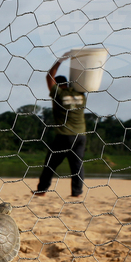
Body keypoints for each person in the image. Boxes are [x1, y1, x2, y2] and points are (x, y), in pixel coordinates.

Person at [35, 53, 88, 198]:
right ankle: (76, 193)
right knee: (77, 166)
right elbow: (85, 79)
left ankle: (42, 190)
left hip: (65, 135)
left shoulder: (59, 94)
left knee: (50, 164)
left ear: (58, 85)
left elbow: (49, 76)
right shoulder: (81, 95)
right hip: (81, 135)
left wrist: (60, 60)